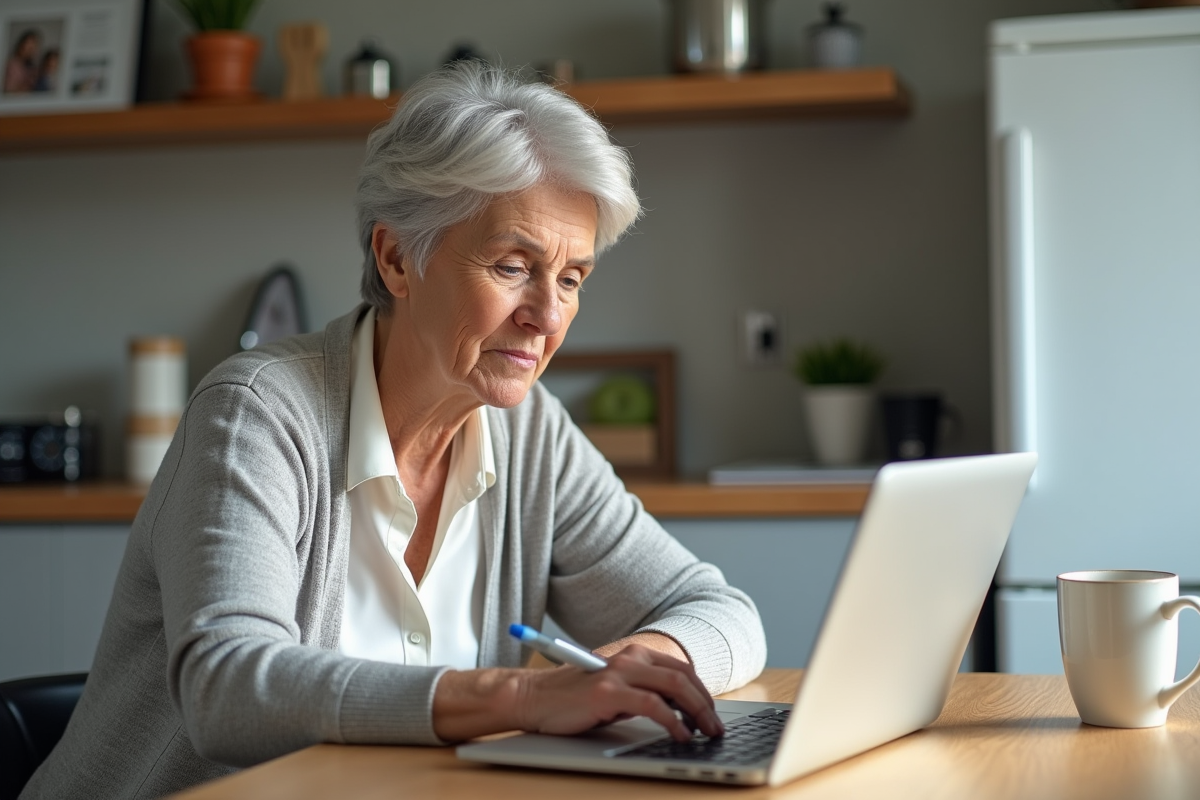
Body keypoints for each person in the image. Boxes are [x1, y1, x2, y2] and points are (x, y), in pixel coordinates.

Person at [21, 62, 766, 798]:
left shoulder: (531, 433)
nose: (548, 315)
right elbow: (229, 686)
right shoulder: (258, 412)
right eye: (514, 266)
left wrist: (640, 662)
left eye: (571, 278)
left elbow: (725, 614)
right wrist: (524, 697)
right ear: (397, 257)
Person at [3, 29, 40, 94]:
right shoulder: (12, 65)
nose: (31, 50)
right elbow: (8, 92)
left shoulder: (32, 67)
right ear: (21, 45)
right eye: (28, 46)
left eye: (33, 47)